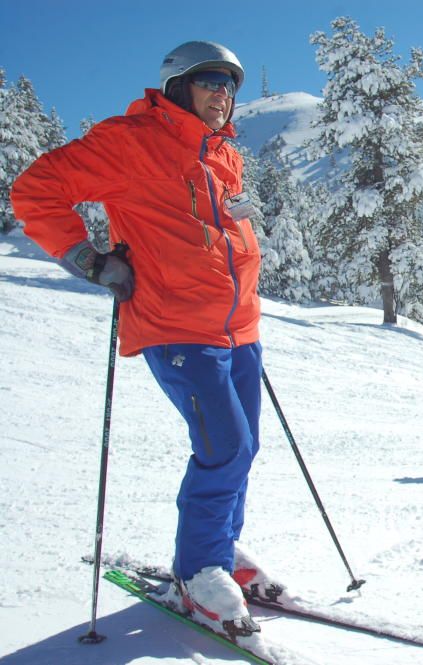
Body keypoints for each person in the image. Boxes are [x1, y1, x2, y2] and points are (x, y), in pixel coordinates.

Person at [11, 41, 261, 636]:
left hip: (238, 328)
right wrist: (89, 260)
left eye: (230, 84)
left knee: (243, 448)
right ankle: (199, 572)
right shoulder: (132, 140)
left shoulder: (223, 153)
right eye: (209, 81)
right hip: (177, 325)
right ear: (177, 86)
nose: (222, 93)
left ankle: (220, 549)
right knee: (223, 447)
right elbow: (35, 190)